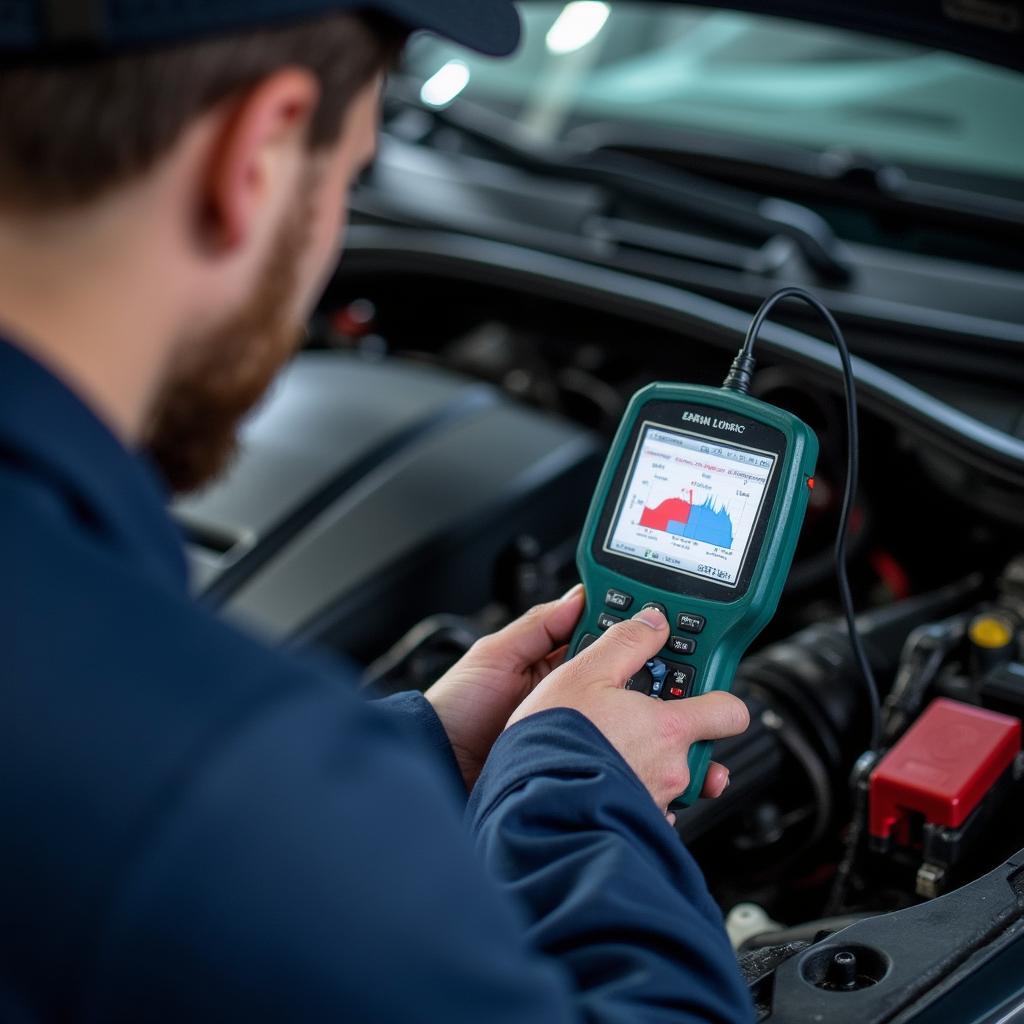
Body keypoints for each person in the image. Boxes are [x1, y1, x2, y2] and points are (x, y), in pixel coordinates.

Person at [0, 3, 754, 1021]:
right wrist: (576, 805)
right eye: (352, 172)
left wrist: (422, 752)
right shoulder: (198, 767)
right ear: (258, 149)